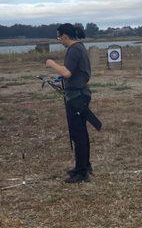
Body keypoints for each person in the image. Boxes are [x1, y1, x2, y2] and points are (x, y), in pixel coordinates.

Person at [45, 23, 93, 183]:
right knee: (81, 133)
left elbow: (66, 72)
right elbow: (72, 74)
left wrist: (51, 63)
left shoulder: (74, 50)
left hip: (76, 97)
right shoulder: (79, 48)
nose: (59, 40)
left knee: (78, 135)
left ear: (65, 36)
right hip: (79, 94)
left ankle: (81, 173)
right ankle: (84, 166)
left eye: (59, 37)